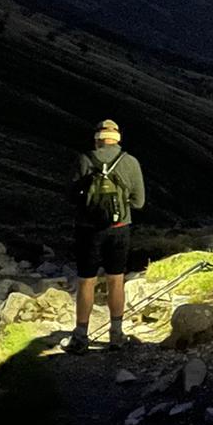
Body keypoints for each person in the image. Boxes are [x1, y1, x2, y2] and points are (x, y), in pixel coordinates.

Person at [66, 118, 145, 354]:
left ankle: (80, 336)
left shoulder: (84, 160)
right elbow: (139, 202)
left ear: (97, 138)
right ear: (118, 138)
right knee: (116, 279)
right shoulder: (130, 162)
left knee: (86, 281)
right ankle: (116, 334)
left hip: (87, 229)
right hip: (119, 228)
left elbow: (70, 196)